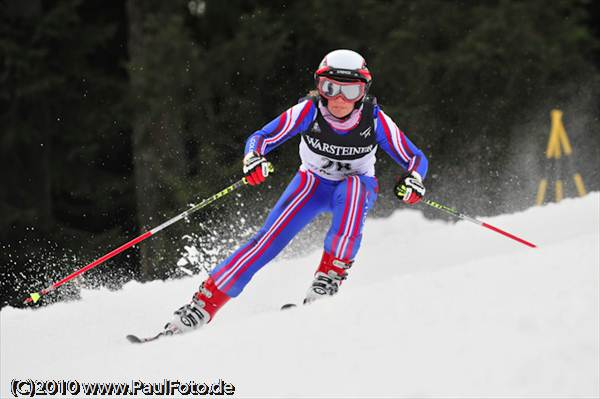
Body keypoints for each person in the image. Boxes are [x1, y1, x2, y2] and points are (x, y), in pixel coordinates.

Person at [164, 49, 428, 334]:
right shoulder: (309, 111)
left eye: (351, 90)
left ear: (363, 91)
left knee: (353, 189)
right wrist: (254, 159)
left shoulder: (373, 120)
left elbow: (415, 158)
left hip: (355, 188)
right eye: (330, 87)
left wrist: (414, 180)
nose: (339, 98)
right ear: (319, 86)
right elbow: (261, 138)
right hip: (311, 185)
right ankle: (202, 305)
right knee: (265, 242)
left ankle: (329, 276)